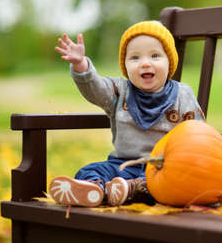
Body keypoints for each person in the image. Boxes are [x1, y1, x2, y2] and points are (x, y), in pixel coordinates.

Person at [49, 21, 205, 207]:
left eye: (155, 56)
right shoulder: (119, 91)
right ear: (125, 65)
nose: (145, 63)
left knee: (164, 185)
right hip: (121, 166)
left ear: (169, 61)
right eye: (135, 58)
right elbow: (95, 88)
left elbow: (197, 133)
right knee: (88, 171)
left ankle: (130, 190)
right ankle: (96, 189)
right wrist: (81, 64)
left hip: (163, 169)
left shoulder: (182, 94)